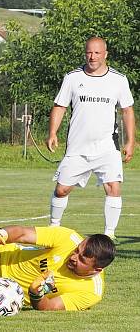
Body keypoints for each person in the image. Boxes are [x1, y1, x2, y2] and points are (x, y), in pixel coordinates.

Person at [47, 36, 135, 241]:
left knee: (113, 187)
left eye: (97, 53)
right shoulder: (72, 78)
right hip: (78, 147)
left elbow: (127, 110)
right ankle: (53, 227)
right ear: (85, 53)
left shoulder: (119, 79)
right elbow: (60, 106)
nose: (92, 57)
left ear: (105, 54)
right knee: (61, 190)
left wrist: (130, 141)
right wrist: (52, 133)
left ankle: (110, 234)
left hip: (107, 146)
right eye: (89, 52)